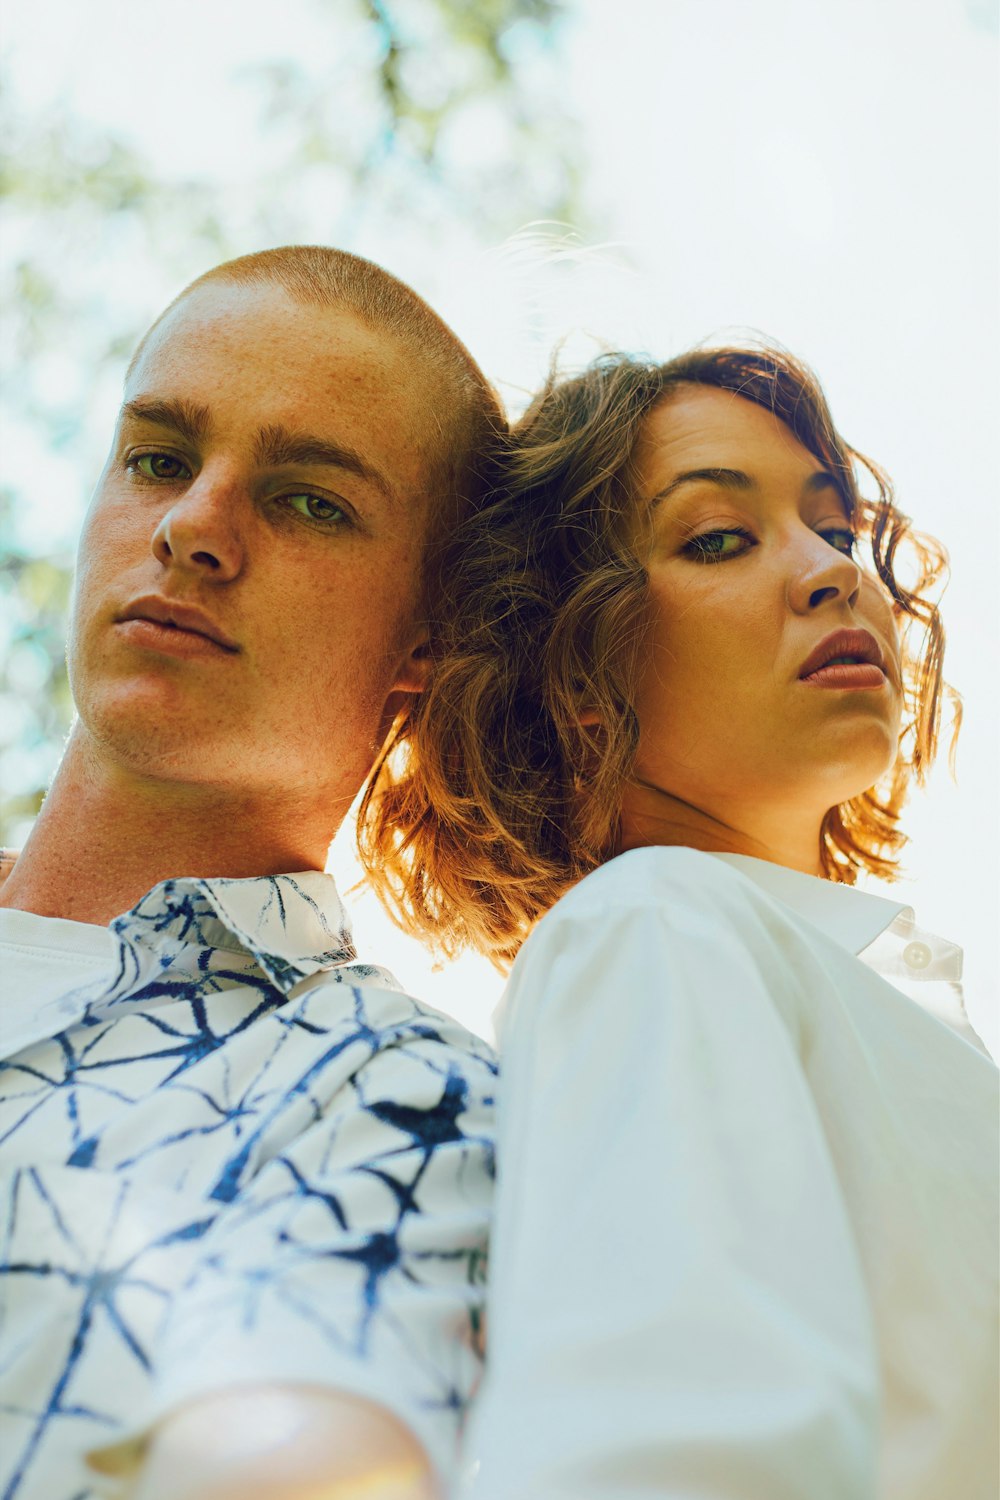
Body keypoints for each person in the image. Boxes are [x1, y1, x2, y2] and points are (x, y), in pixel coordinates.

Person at [361, 346, 999, 1499]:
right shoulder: (656, 928)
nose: (830, 574)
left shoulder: (832, 981)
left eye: (837, 532)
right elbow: (670, 1450)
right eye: (717, 539)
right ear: (573, 664)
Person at [0, 245, 504, 1500]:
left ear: (427, 642)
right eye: (160, 458)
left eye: (309, 501)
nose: (191, 527)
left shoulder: (404, 1100)